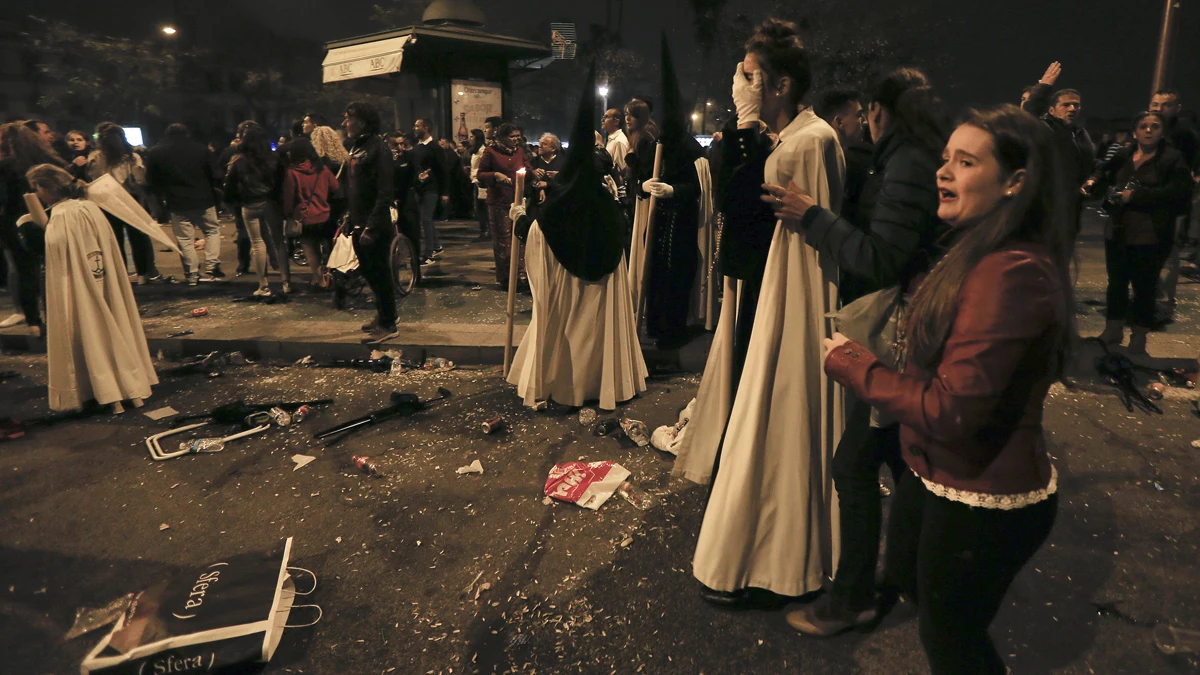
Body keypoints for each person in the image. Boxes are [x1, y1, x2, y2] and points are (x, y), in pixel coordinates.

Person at [823, 104, 1073, 675]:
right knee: (915, 584)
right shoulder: (975, 249)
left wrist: (853, 364)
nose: (943, 172)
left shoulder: (1010, 272)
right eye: (945, 159)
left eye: (965, 162)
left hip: (982, 497)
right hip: (938, 473)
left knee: (952, 640)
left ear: (1016, 182)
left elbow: (949, 409)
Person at [766, 67, 948, 635]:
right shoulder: (904, 159)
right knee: (901, 458)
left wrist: (814, 217)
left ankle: (853, 597)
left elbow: (882, 257)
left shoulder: (908, 165)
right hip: (910, 332)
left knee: (856, 463)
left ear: (879, 110)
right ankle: (919, 578)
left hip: (901, 336)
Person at [688, 17, 846, 605]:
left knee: (781, 414)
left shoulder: (811, 139)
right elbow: (736, 202)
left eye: (749, 75)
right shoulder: (779, 137)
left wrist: (749, 130)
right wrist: (746, 129)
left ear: (779, 84)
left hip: (794, 297)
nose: (739, 83)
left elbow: (786, 218)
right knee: (752, 411)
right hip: (763, 285)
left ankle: (780, 555)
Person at [506, 64, 648, 410]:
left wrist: (520, 219)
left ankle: (566, 384)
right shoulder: (604, 201)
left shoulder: (560, 200)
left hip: (568, 294)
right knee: (596, 333)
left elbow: (541, 235)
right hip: (599, 293)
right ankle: (602, 383)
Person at [26, 163, 158, 412]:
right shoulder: (91, 207)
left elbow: (56, 251)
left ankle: (104, 390)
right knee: (114, 323)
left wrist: (34, 229)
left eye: (37, 188)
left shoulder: (63, 214)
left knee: (90, 329)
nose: (38, 195)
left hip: (79, 286)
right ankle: (130, 387)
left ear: (46, 187)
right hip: (103, 280)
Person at [1086, 110, 1193, 356]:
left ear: (1162, 132)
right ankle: (1112, 330)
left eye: (1154, 126)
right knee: (1116, 284)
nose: (1148, 130)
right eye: (1143, 126)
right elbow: (1102, 171)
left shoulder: (1172, 159)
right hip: (1118, 231)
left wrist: (1138, 195)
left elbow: (1179, 193)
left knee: (1144, 288)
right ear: (1135, 131)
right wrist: (1096, 184)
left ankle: (1139, 338)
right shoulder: (1124, 154)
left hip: (1151, 234)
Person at [632, 37, 705, 349]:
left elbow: (698, 188)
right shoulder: (656, 144)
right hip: (658, 222)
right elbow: (640, 179)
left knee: (676, 279)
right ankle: (655, 326)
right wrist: (645, 186)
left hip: (682, 226)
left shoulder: (689, 147)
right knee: (657, 277)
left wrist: (674, 189)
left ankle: (674, 329)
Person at [0, 122, 65, 334]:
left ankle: (34, 322)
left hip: (15, 224)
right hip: (52, 217)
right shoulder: (48, 161)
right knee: (56, 269)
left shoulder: (6, 166)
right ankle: (60, 316)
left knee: (25, 271)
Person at [342, 102, 396, 344]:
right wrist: (349, 217)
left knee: (379, 272)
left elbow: (385, 192)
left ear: (362, 121)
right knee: (368, 271)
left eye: (348, 118)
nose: (344, 123)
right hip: (358, 221)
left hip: (374, 225)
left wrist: (371, 227)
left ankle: (389, 323)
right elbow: (355, 188)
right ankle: (383, 314)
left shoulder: (378, 149)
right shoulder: (357, 147)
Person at [1022, 62, 1094, 240]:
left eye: (1076, 105)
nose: (1072, 109)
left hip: (1070, 212)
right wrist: (1044, 87)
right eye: (1066, 105)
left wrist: (1093, 179)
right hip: (1046, 212)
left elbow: (1090, 164)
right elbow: (1029, 115)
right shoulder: (1045, 129)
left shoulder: (1080, 134)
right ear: (1051, 110)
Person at [146, 123, 222, 284]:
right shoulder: (201, 149)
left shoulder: (156, 152)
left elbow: (152, 180)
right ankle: (211, 264)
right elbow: (215, 174)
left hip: (176, 201)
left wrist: (160, 200)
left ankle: (192, 274)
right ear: (186, 133)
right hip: (203, 199)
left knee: (185, 239)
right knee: (212, 231)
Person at [87, 122, 161, 285]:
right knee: (138, 237)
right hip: (130, 200)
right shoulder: (132, 157)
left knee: (114, 238)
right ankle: (143, 273)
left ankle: (121, 274)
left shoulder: (96, 157)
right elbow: (140, 179)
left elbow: (93, 178)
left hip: (106, 202)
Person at [1148, 89, 1199, 321]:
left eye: (1165, 104)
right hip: (1148, 199)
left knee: (1168, 253)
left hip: (1172, 203)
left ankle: (1164, 305)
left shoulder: (1184, 134)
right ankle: (1151, 299)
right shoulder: (1148, 127)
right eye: (1155, 103)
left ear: (1177, 108)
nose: (1158, 108)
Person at [224, 121, 283, 296]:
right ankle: (283, 277)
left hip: (250, 204)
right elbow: (281, 183)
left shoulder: (239, 160)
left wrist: (232, 203)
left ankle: (263, 284)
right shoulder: (274, 159)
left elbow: (230, 186)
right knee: (275, 240)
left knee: (257, 243)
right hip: (270, 203)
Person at [478, 122, 535, 290]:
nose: (516, 140)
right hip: (499, 201)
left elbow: (528, 169)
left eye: (518, 136)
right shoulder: (491, 151)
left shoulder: (520, 151)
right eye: (512, 137)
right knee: (503, 240)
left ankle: (522, 274)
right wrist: (495, 175)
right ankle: (506, 277)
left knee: (520, 237)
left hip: (517, 201)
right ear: (502, 137)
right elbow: (480, 174)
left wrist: (534, 174)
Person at [282, 138, 339, 291]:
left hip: (305, 217)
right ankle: (328, 276)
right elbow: (335, 186)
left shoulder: (292, 172)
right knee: (328, 247)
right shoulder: (322, 168)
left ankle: (320, 280)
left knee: (310, 249)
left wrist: (288, 214)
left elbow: (289, 197)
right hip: (325, 215)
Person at [817, 89, 872, 226]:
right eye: (859, 115)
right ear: (839, 122)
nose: (865, 122)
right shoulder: (831, 163)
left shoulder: (855, 159)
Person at [409, 119, 448, 265]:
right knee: (426, 220)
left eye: (417, 126)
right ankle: (437, 246)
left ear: (425, 128)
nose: (414, 128)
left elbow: (443, 170)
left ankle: (429, 254)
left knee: (426, 219)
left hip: (432, 189)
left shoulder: (435, 148)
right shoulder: (417, 147)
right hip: (420, 188)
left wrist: (445, 192)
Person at [531, 133, 566, 206]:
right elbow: (528, 181)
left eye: (544, 144)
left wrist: (548, 184)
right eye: (540, 143)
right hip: (537, 204)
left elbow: (567, 182)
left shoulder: (563, 162)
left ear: (553, 148)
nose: (540, 146)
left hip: (559, 202)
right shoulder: (534, 161)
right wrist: (538, 186)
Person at [468, 129, 489, 239]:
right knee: (478, 208)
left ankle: (485, 231)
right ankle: (483, 230)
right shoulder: (475, 151)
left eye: (472, 137)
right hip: (475, 181)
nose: (470, 139)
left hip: (481, 182)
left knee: (482, 208)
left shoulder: (483, 151)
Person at [602, 108, 630, 176]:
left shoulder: (618, 141)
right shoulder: (613, 139)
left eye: (606, 117)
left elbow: (620, 171)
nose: (602, 120)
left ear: (616, 121)